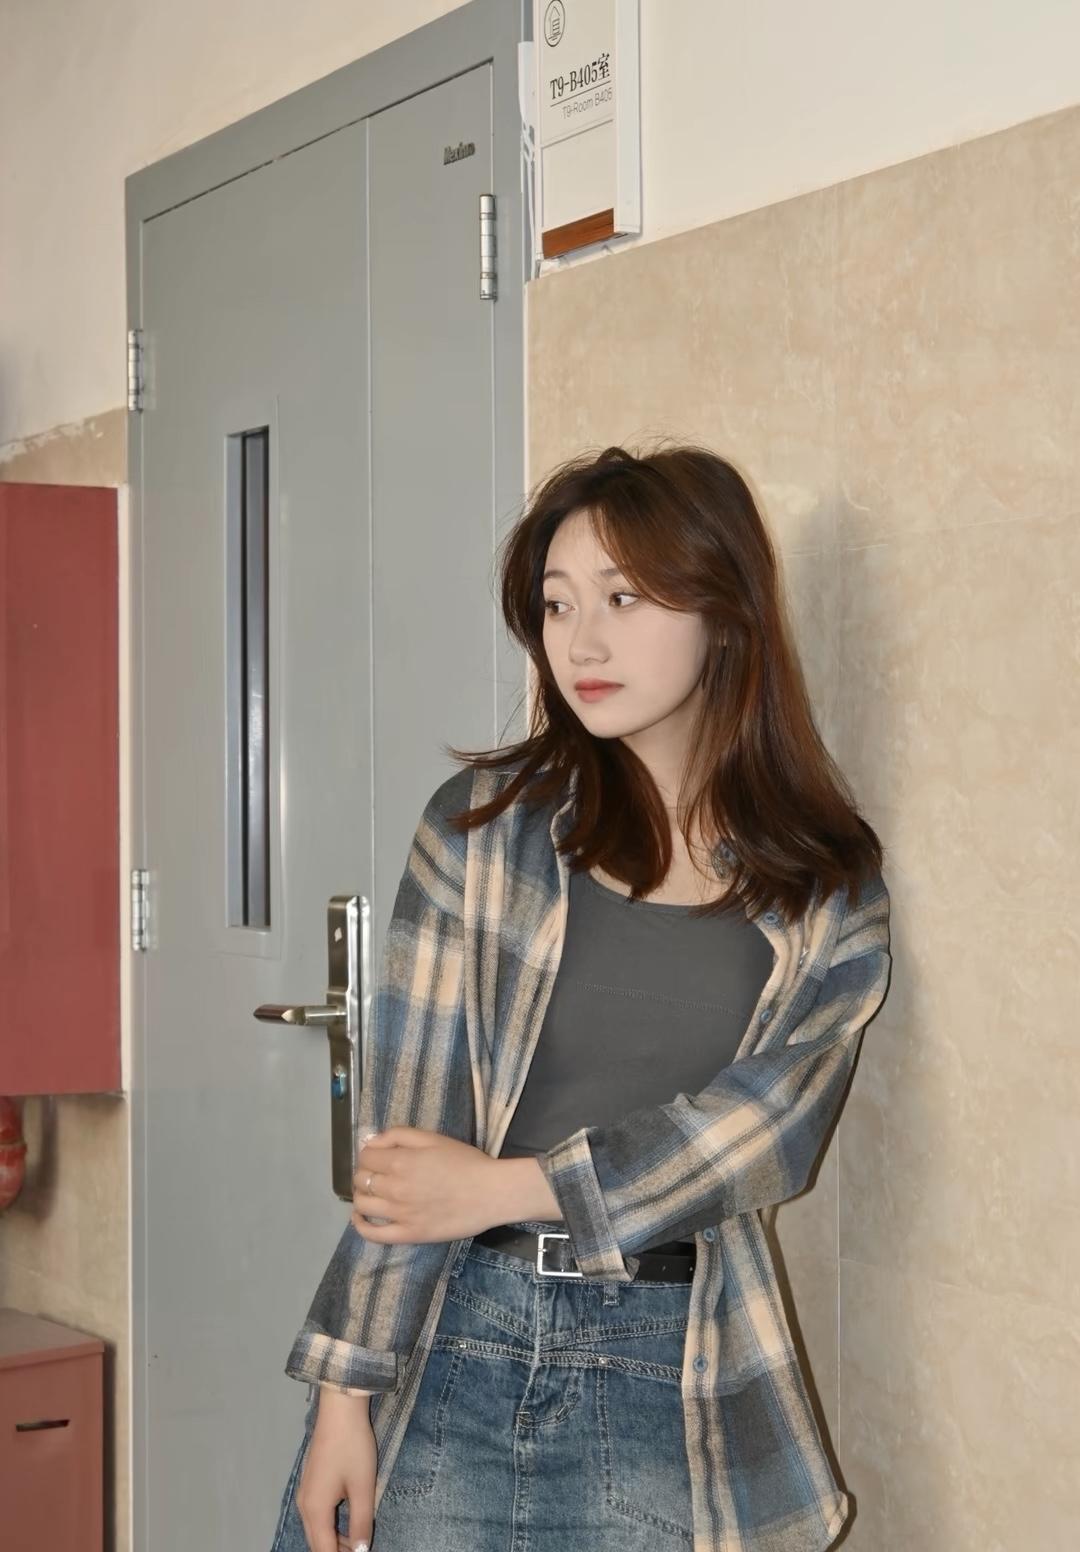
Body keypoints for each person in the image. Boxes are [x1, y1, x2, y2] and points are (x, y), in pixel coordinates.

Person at [270, 442, 893, 1552]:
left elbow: (765, 1135)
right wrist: (343, 1395)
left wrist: (508, 1186)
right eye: (557, 604)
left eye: (623, 598)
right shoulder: (482, 833)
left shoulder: (822, 889)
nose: (581, 642)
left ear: (724, 612)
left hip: (677, 1366)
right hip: (456, 1335)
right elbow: (410, 1150)